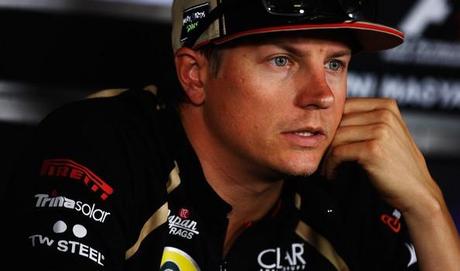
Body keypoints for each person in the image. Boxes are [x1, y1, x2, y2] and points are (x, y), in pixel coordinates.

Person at [4, 0, 460, 270]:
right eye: (282, 60)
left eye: (335, 64)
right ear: (195, 75)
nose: (320, 96)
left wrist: (427, 207)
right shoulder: (103, 142)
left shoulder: (347, 186)